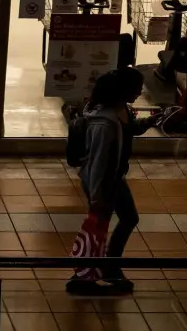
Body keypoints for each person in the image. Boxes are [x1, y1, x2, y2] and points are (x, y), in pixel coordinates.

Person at [68, 67, 156, 296]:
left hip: (113, 177)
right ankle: (101, 270)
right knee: (114, 220)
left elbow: (129, 130)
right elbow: (98, 163)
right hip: (104, 181)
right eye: (137, 88)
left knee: (111, 222)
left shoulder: (120, 109)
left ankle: (105, 268)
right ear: (124, 90)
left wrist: (150, 121)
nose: (140, 92)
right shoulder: (104, 123)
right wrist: (98, 197)